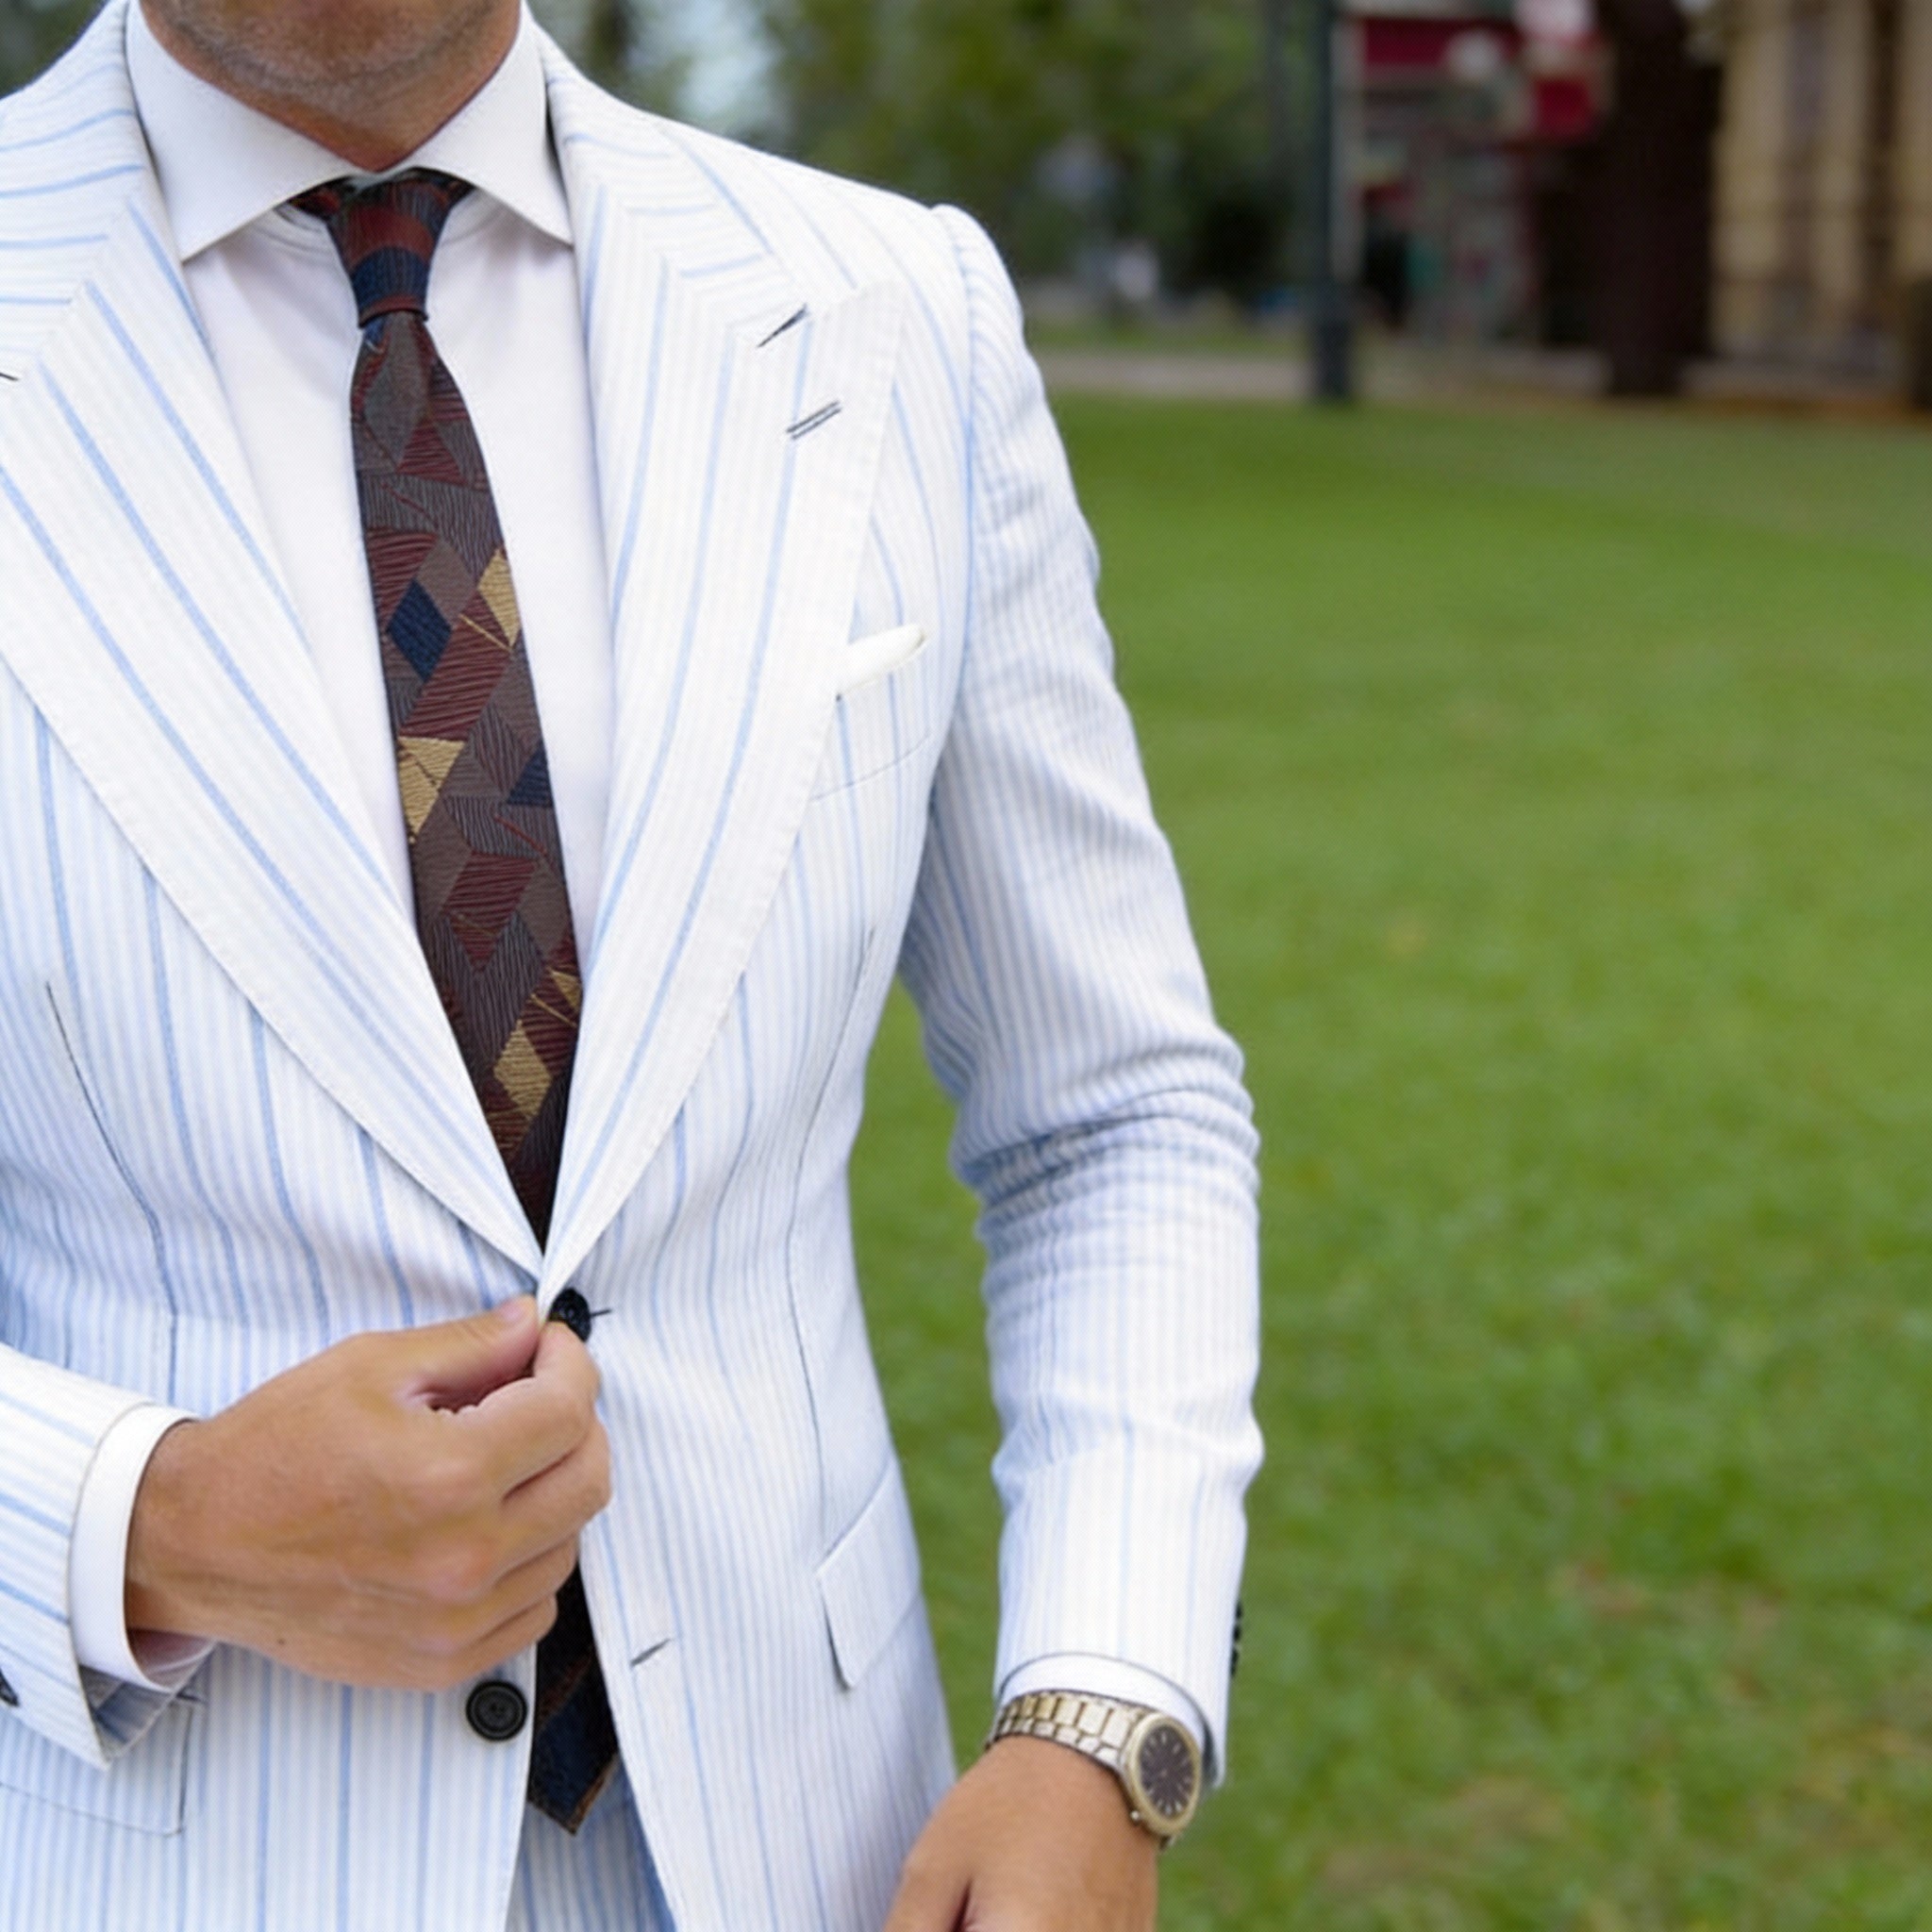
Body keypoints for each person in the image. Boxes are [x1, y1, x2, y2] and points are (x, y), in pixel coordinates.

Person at [0, 0, 1262, 1924]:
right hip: (136, 1846)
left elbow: (1111, 1111)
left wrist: (1103, 1708)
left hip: (813, 1844)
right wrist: (134, 1525)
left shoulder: (890, 311)